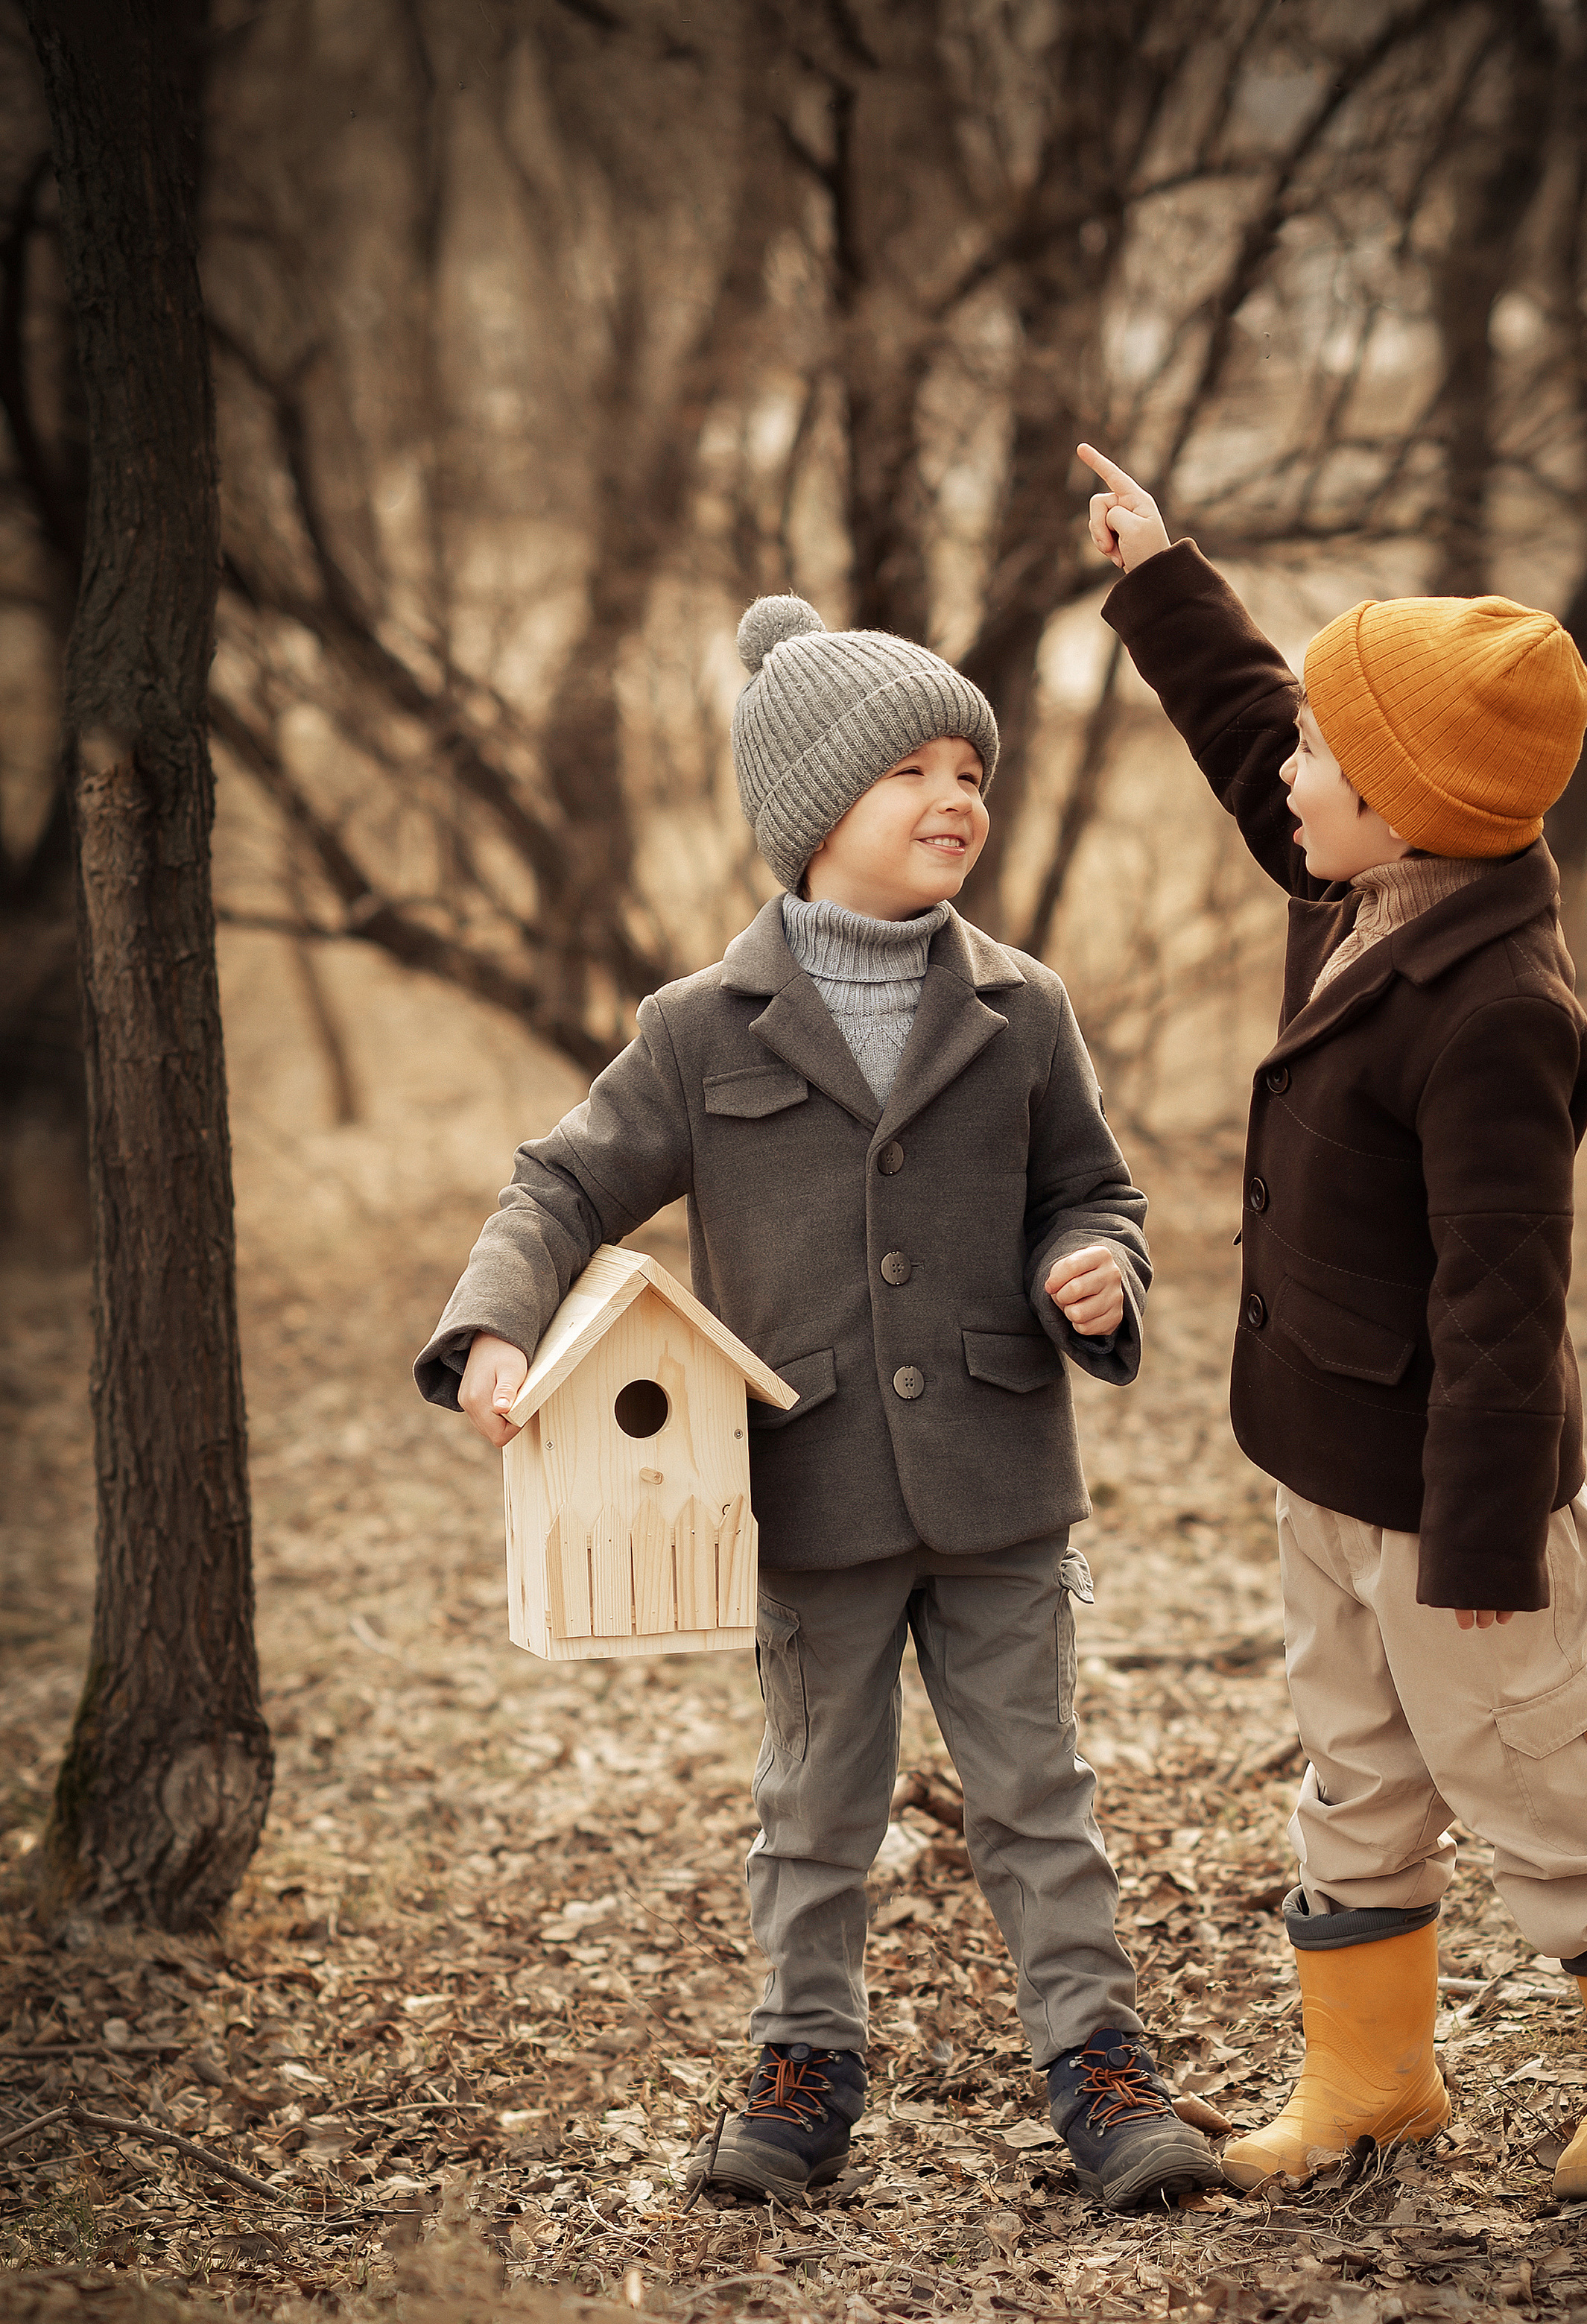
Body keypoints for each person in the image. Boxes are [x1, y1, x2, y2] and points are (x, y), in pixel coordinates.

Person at [414, 593, 1223, 2211]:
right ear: (807, 813)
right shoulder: (697, 1031)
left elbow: (1096, 1193)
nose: (954, 800)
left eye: (969, 772)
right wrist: (491, 1330)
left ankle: (1100, 2069)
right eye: (911, 770)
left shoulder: (1023, 1009)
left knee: (1036, 1795)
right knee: (813, 1803)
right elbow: (559, 1186)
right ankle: (803, 2069)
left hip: (997, 1480)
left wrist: (1095, 1270)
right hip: (807, 1487)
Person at [1074, 443, 1587, 2201]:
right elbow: (1243, 734)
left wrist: (1476, 1539)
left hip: (1460, 1511)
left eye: (1321, 755)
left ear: (1407, 803)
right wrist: (1158, 578)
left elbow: (1503, 1297)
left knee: (1540, 1780)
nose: (1285, 770)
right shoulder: (1359, 886)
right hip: (1324, 1452)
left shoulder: (1497, 1009)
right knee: (1353, 1770)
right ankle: (1371, 2077)